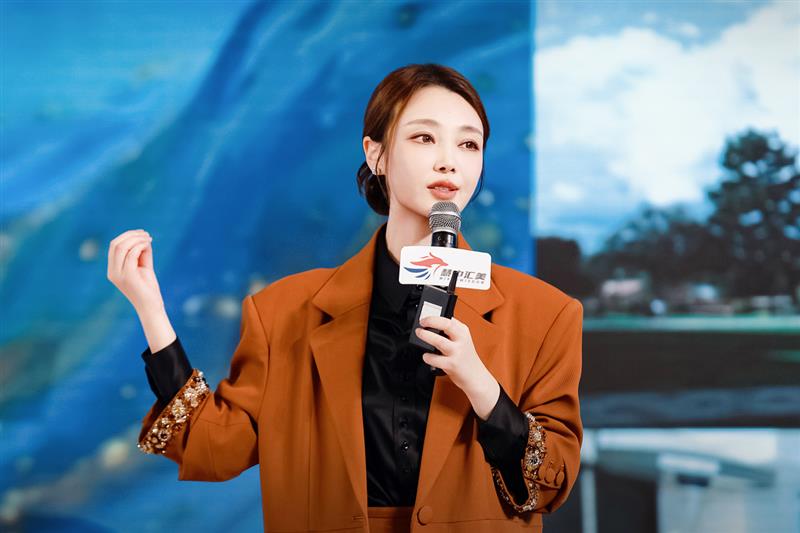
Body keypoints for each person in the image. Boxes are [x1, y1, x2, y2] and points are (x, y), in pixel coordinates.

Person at [107, 63, 583, 533]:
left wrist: (483, 390)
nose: (448, 161)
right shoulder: (283, 312)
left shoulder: (546, 314)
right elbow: (214, 449)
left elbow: (551, 485)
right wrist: (152, 311)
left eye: (468, 144)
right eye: (424, 137)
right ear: (376, 154)